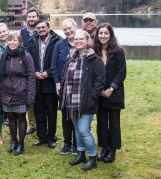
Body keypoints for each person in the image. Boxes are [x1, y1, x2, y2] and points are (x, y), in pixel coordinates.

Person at [60, 30, 105, 171]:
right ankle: (81, 154)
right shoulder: (70, 57)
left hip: (86, 101)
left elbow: (100, 80)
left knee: (84, 130)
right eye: (76, 39)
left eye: (81, 39)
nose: (78, 41)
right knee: (77, 129)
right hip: (71, 100)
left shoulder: (94, 59)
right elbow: (64, 77)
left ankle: (92, 157)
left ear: (88, 41)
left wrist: (92, 96)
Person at [0, 32, 35, 155]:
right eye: (10, 40)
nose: (12, 42)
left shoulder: (26, 57)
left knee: (21, 117)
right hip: (6, 93)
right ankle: (14, 142)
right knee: (11, 117)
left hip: (21, 92)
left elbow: (31, 77)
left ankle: (21, 144)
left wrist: (30, 96)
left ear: (20, 42)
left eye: (15, 40)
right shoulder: (2, 57)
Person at [93, 23, 126, 163]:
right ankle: (104, 147)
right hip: (99, 94)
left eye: (106, 33)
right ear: (97, 35)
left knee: (113, 123)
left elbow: (121, 73)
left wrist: (111, 89)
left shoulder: (118, 52)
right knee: (101, 123)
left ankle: (112, 150)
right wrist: (97, 89)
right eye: (100, 33)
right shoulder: (94, 52)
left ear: (110, 35)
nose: (103, 36)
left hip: (114, 94)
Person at [27, 20, 62, 149]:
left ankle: (51, 137)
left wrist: (49, 73)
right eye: (39, 28)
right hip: (36, 82)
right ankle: (41, 137)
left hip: (51, 82)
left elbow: (59, 60)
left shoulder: (57, 40)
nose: (41, 29)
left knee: (51, 112)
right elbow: (28, 59)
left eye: (43, 27)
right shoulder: (32, 41)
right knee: (39, 111)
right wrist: (34, 71)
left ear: (48, 28)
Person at [50, 18, 78, 155]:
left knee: (77, 115)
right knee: (66, 115)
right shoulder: (59, 45)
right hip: (63, 86)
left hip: (79, 87)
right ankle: (67, 143)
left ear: (75, 27)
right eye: (65, 29)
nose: (68, 31)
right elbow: (54, 66)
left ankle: (77, 144)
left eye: (69, 28)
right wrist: (57, 84)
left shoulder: (82, 43)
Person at [20, 7, 39, 135]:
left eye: (34, 17)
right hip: (26, 70)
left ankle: (43, 123)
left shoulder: (42, 30)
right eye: (29, 17)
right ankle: (32, 125)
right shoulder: (22, 33)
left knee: (41, 100)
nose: (31, 19)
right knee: (30, 98)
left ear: (37, 18)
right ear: (27, 18)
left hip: (40, 70)